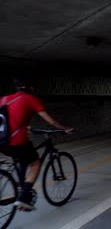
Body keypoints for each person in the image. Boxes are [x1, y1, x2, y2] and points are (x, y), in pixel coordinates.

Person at [0, 77, 74, 211]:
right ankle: (23, 199)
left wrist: (26, 127)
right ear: (30, 88)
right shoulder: (31, 99)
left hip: (2, 142)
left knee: (22, 159)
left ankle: (22, 189)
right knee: (35, 163)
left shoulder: (4, 99)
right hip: (17, 141)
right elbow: (50, 121)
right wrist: (65, 128)